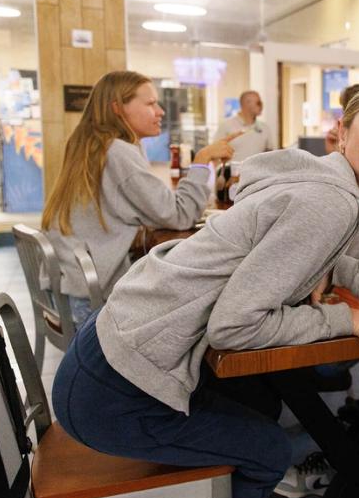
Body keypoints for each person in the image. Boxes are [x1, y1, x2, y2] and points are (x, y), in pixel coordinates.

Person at [51, 82, 359, 498]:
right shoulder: (328, 202)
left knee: (257, 402)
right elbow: (235, 328)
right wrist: (351, 316)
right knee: (266, 450)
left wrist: (342, 265)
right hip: (115, 392)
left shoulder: (349, 202)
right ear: (341, 133)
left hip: (104, 361)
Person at [43, 70, 237, 324]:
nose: (160, 112)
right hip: (90, 301)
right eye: (150, 103)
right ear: (117, 108)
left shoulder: (90, 144)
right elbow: (181, 215)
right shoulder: (118, 152)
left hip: (67, 289)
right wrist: (202, 160)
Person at [217, 90, 276, 160]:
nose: (262, 106)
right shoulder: (226, 126)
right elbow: (215, 154)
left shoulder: (265, 128)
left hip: (257, 171)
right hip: (233, 170)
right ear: (247, 104)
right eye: (258, 103)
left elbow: (270, 154)